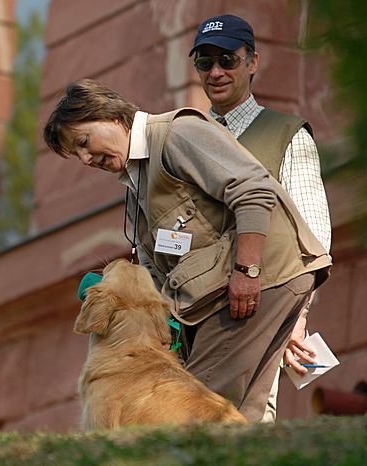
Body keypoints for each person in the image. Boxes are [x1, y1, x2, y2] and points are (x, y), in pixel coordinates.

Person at [42, 78, 332, 421]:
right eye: (77, 154)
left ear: (111, 116)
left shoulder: (176, 133)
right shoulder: (138, 179)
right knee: (239, 417)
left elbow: (253, 191)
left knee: (192, 412)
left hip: (258, 280)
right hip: (256, 285)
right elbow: (157, 268)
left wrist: (247, 271)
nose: (86, 158)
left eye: (84, 142)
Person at [189, 14, 333, 421]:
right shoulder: (187, 137)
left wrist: (297, 316)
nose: (216, 72)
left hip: (259, 307)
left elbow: (314, 238)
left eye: (227, 60)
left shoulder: (287, 134)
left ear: (252, 62)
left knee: (246, 423)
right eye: (205, 62)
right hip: (191, 315)